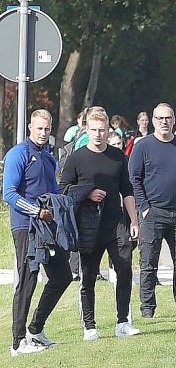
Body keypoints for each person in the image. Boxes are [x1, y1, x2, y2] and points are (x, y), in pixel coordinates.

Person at [60, 108, 140, 340]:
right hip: (88, 224)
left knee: (124, 269)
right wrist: (88, 193)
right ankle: (89, 325)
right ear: (86, 129)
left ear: (108, 131)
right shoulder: (76, 157)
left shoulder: (118, 156)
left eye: (102, 130)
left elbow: (127, 190)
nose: (98, 134)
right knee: (88, 275)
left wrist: (134, 220)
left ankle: (123, 321)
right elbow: (63, 189)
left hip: (116, 223)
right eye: (94, 130)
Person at [3, 109, 73, 356]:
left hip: (48, 227)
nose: (43, 133)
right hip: (25, 225)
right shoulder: (18, 154)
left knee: (63, 275)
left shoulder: (49, 158)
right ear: (30, 127)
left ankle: (36, 330)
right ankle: (17, 342)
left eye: (47, 128)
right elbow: (9, 193)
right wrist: (35, 211)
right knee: (28, 279)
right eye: (39, 128)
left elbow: (54, 192)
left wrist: (60, 209)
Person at [129, 103, 176, 319]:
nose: (164, 122)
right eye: (159, 118)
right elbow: (134, 178)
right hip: (153, 213)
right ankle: (147, 308)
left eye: (168, 118)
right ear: (152, 121)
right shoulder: (143, 146)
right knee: (148, 262)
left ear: (174, 119)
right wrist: (145, 208)